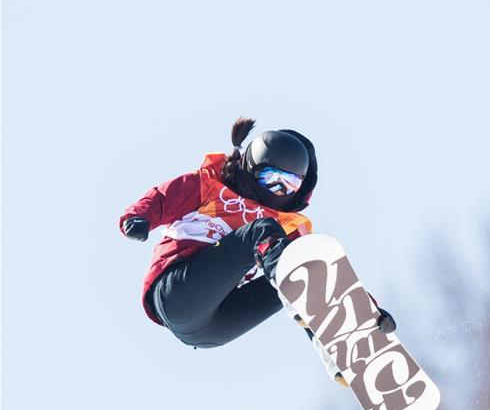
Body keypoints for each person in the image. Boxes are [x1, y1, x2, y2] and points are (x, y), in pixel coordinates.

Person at [119, 117, 395, 386]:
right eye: (270, 178)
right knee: (262, 231)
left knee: (308, 262)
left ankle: (341, 346)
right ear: (251, 168)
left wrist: (366, 310)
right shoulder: (209, 185)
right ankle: (290, 289)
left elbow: (323, 274)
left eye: (288, 185)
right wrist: (138, 219)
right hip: (176, 289)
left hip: (217, 325)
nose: (277, 190)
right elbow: (163, 197)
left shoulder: (287, 227)